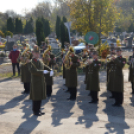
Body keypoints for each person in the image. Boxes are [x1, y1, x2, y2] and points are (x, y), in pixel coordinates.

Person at [28, 45, 53, 116]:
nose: (37, 54)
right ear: (33, 53)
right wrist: (42, 72)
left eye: (38, 53)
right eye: (36, 53)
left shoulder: (40, 60)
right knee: (36, 97)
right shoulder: (31, 62)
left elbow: (44, 66)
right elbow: (33, 71)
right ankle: (35, 111)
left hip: (41, 81)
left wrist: (50, 69)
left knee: (40, 96)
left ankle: (38, 109)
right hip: (35, 82)